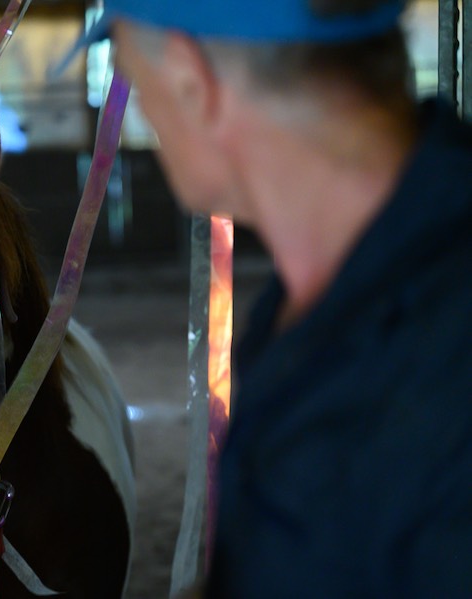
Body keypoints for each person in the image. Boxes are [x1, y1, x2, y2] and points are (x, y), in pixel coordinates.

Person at [67, 0, 472, 596]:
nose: (148, 118)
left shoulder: (436, 372)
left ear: (189, 80)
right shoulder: (318, 294)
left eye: (133, 78)